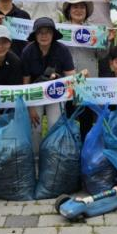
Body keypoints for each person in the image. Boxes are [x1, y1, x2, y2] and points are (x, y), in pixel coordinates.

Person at [21, 17, 76, 153]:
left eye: (48, 32)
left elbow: (71, 77)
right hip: (34, 94)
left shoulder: (62, 50)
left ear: (53, 34)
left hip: (57, 93)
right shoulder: (27, 51)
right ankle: (35, 158)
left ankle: (53, 157)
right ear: (35, 35)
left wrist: (60, 80)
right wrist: (30, 107)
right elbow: (25, 82)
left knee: (54, 125)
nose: (44, 36)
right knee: (35, 127)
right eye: (40, 32)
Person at [62, 0, 103, 140]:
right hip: (67, 80)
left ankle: (85, 150)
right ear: (68, 10)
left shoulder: (95, 30)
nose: (78, 10)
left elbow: (102, 55)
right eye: (75, 7)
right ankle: (69, 149)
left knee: (86, 119)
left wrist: (106, 41)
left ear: (86, 11)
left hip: (87, 80)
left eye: (82, 7)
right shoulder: (61, 29)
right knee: (68, 117)